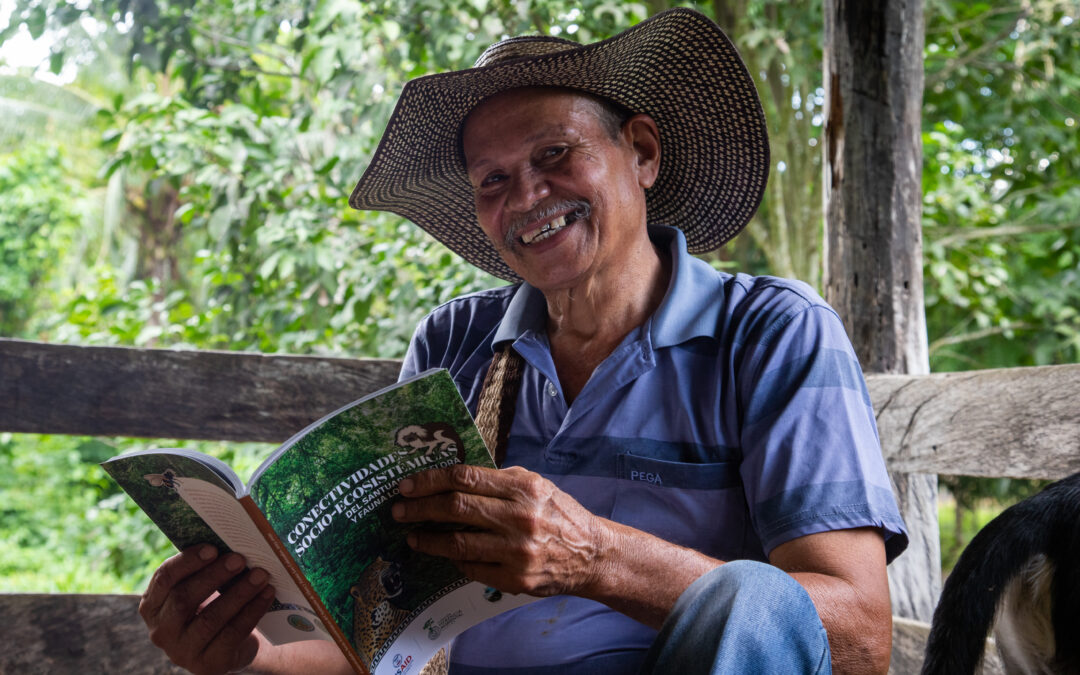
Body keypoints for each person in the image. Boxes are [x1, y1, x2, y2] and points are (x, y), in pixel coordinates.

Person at [137, 9, 908, 675]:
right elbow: (389, 637)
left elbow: (858, 637)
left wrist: (595, 556)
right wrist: (246, 651)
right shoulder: (456, 343)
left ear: (642, 151)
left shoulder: (771, 332)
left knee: (754, 597)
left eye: (554, 154)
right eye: (493, 180)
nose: (528, 196)